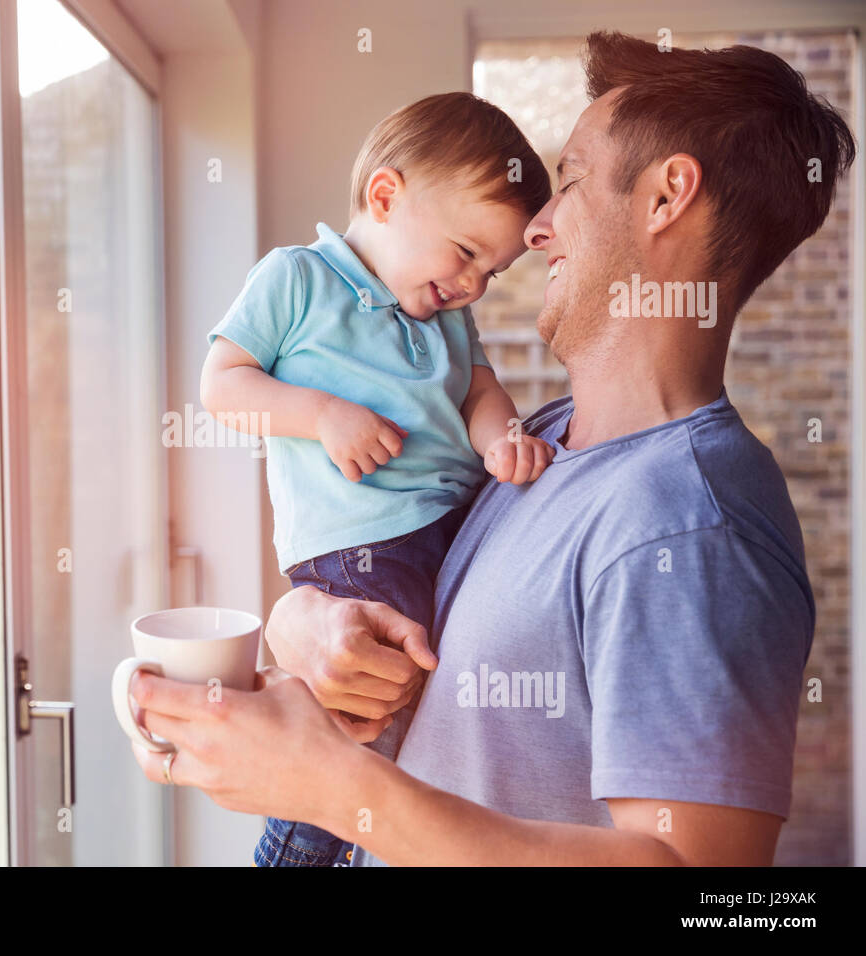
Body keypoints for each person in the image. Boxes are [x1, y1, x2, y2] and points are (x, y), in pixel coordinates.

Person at [131, 30, 856, 866]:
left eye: (572, 180)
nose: (538, 227)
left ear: (666, 198)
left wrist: (334, 787)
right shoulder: (536, 445)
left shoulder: (691, 526)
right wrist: (306, 622)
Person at [200, 92, 554, 866]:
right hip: (362, 546)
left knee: (426, 714)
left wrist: (503, 439)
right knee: (368, 719)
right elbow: (222, 385)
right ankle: (292, 853)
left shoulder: (450, 321)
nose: (473, 285)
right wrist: (322, 414)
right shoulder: (297, 279)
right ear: (386, 197)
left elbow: (480, 393)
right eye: (465, 253)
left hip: (450, 530)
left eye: (492, 271)